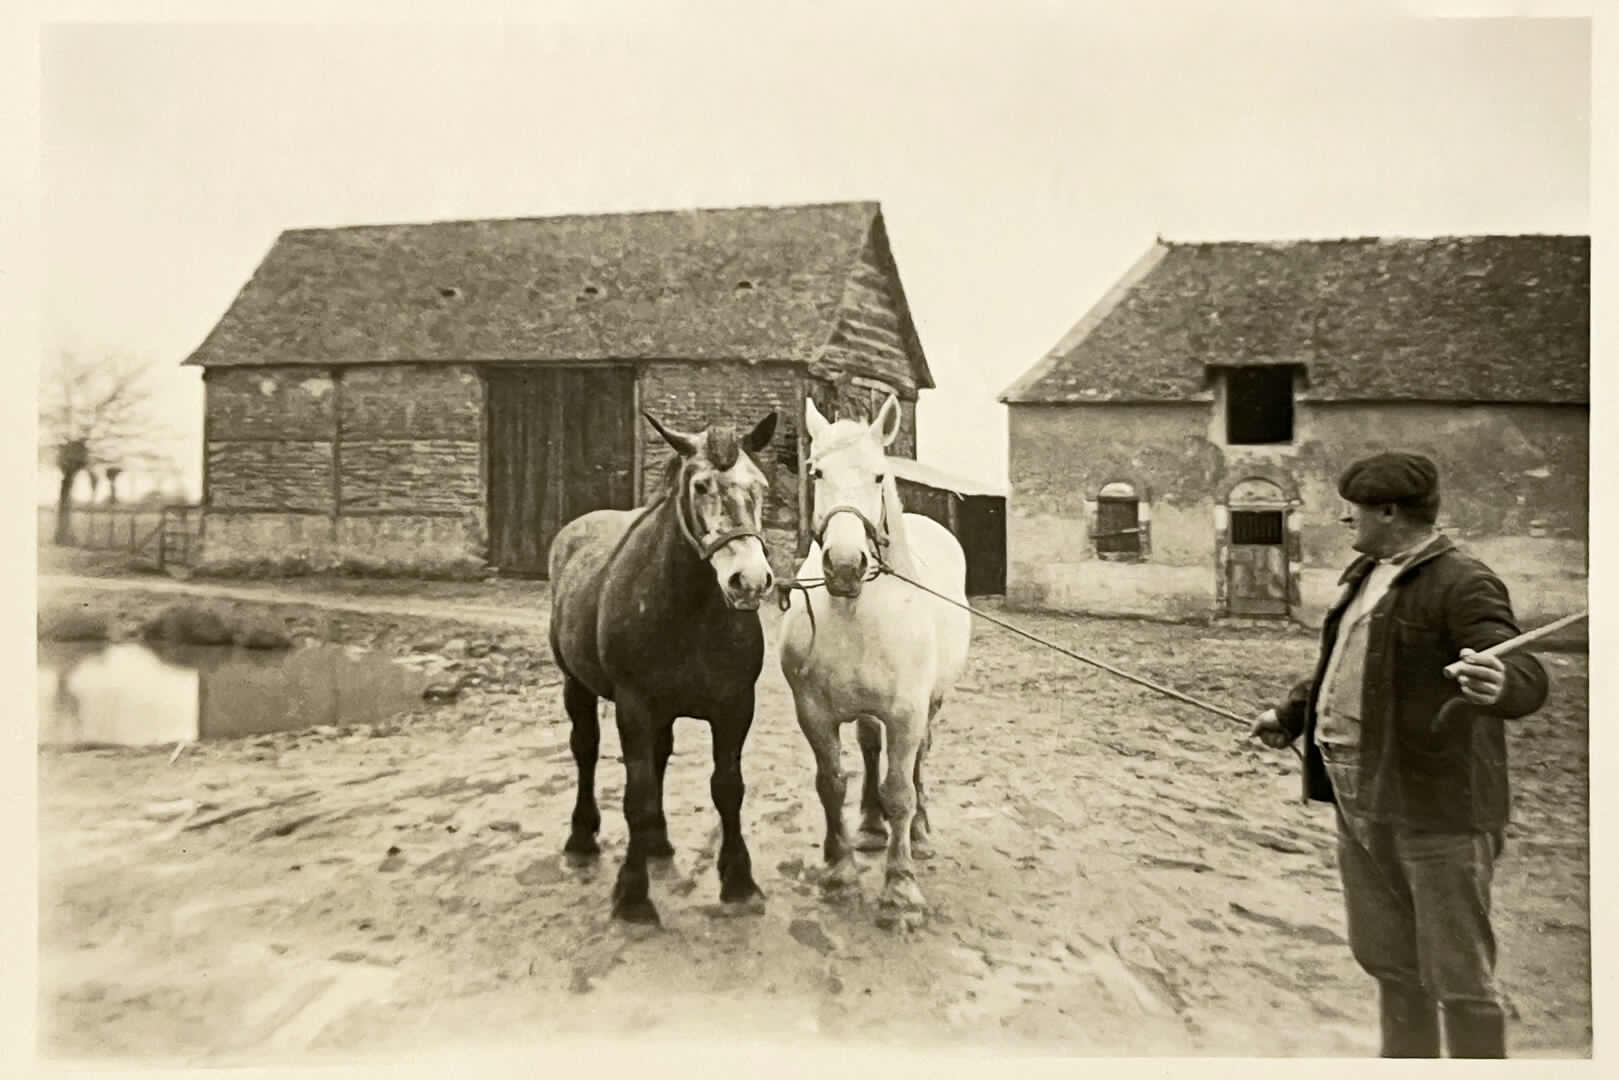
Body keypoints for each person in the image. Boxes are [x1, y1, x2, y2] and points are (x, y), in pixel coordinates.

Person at [1248, 451, 1548, 1059]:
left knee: (1458, 976)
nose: (1346, 523)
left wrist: (1503, 683)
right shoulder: (1365, 574)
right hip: (1361, 798)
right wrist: (1289, 715)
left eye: (1351, 513)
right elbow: (1341, 666)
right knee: (1390, 961)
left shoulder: (1465, 580)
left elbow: (1515, 660)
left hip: (1437, 811)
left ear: (1387, 511)